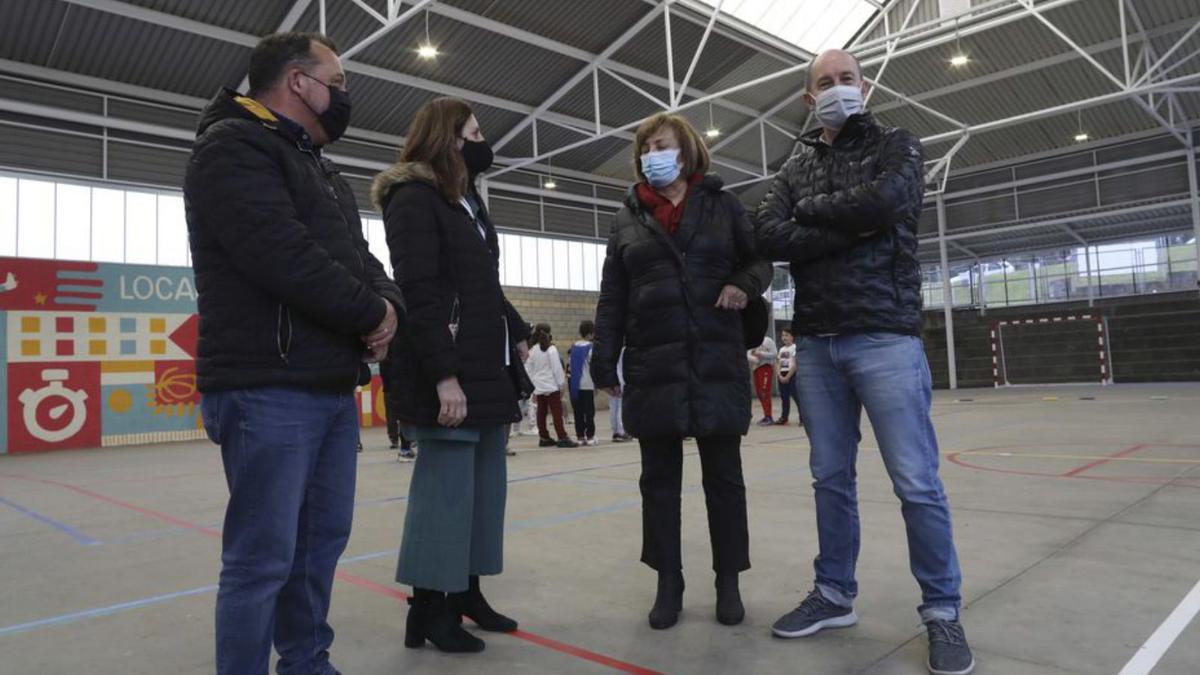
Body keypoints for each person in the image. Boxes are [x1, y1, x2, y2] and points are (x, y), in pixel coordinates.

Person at [185, 32, 402, 675]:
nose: (343, 95)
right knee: (261, 558)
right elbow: (283, 257)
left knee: (318, 547)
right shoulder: (231, 148)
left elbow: (364, 262)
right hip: (265, 385)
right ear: (300, 83)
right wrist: (370, 314)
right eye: (336, 81)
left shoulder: (318, 165)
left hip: (327, 381)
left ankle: (306, 661)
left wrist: (390, 308)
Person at [754, 49, 973, 675]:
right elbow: (769, 232)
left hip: (885, 335)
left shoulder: (899, 143)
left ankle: (941, 611)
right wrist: (849, 226)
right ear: (807, 97)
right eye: (824, 83)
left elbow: (889, 202)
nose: (836, 89)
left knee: (916, 481)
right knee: (830, 476)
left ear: (864, 85)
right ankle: (833, 594)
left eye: (846, 80)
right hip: (818, 341)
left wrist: (812, 218)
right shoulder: (795, 163)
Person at [592, 112, 772, 631]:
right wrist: (605, 358)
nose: (652, 153)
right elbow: (613, 296)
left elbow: (762, 262)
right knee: (659, 483)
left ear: (687, 151)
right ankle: (668, 581)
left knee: (724, 480)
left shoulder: (723, 204)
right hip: (654, 364)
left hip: (716, 360)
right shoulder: (627, 217)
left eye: (662, 143)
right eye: (645, 146)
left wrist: (743, 283)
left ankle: (728, 581)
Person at [372, 96, 531, 654]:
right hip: (448, 368)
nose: (483, 141)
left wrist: (515, 336)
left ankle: (467, 593)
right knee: (444, 495)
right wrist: (444, 375)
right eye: (475, 131)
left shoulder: (466, 201)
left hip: (487, 368)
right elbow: (421, 292)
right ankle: (429, 608)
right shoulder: (413, 198)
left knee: (484, 492)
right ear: (448, 138)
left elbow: (480, 287)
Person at [525, 324, 579, 448]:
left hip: (539, 386)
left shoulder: (532, 350)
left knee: (541, 412)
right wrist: (561, 384)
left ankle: (543, 437)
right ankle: (562, 437)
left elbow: (529, 370)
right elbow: (556, 369)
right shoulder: (551, 349)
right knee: (556, 412)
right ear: (549, 333)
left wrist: (533, 387)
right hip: (551, 385)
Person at [381, 337, 417, 460]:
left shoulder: (388, 339)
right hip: (399, 382)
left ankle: (401, 442)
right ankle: (405, 444)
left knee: (395, 414)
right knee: (402, 413)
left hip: (393, 383)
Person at [568, 320, 598, 446]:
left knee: (578, 412)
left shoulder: (573, 348)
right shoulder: (591, 348)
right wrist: (596, 384)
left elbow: (569, 367)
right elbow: (594, 367)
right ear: (591, 334)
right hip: (587, 383)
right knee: (589, 412)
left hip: (574, 385)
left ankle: (580, 436)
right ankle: (590, 436)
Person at [748, 335, 778, 426]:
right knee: (759, 393)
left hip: (765, 367)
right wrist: (754, 358)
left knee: (765, 392)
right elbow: (748, 354)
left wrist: (761, 354)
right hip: (756, 368)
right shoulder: (752, 340)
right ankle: (766, 415)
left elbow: (774, 353)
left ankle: (769, 416)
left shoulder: (768, 340)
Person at [775, 328, 801, 426]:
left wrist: (788, 376)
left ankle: (803, 418)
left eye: (787, 335)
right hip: (782, 374)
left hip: (792, 375)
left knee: (797, 397)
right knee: (784, 398)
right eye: (783, 335)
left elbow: (795, 364)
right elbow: (778, 363)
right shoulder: (782, 349)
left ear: (792, 337)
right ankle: (784, 417)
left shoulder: (794, 348)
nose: (784, 338)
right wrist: (779, 375)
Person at [609, 348, 632, 442]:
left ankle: (615, 431)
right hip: (621, 380)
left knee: (613, 406)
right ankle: (621, 431)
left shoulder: (610, 349)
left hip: (611, 380)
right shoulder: (624, 350)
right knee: (620, 407)